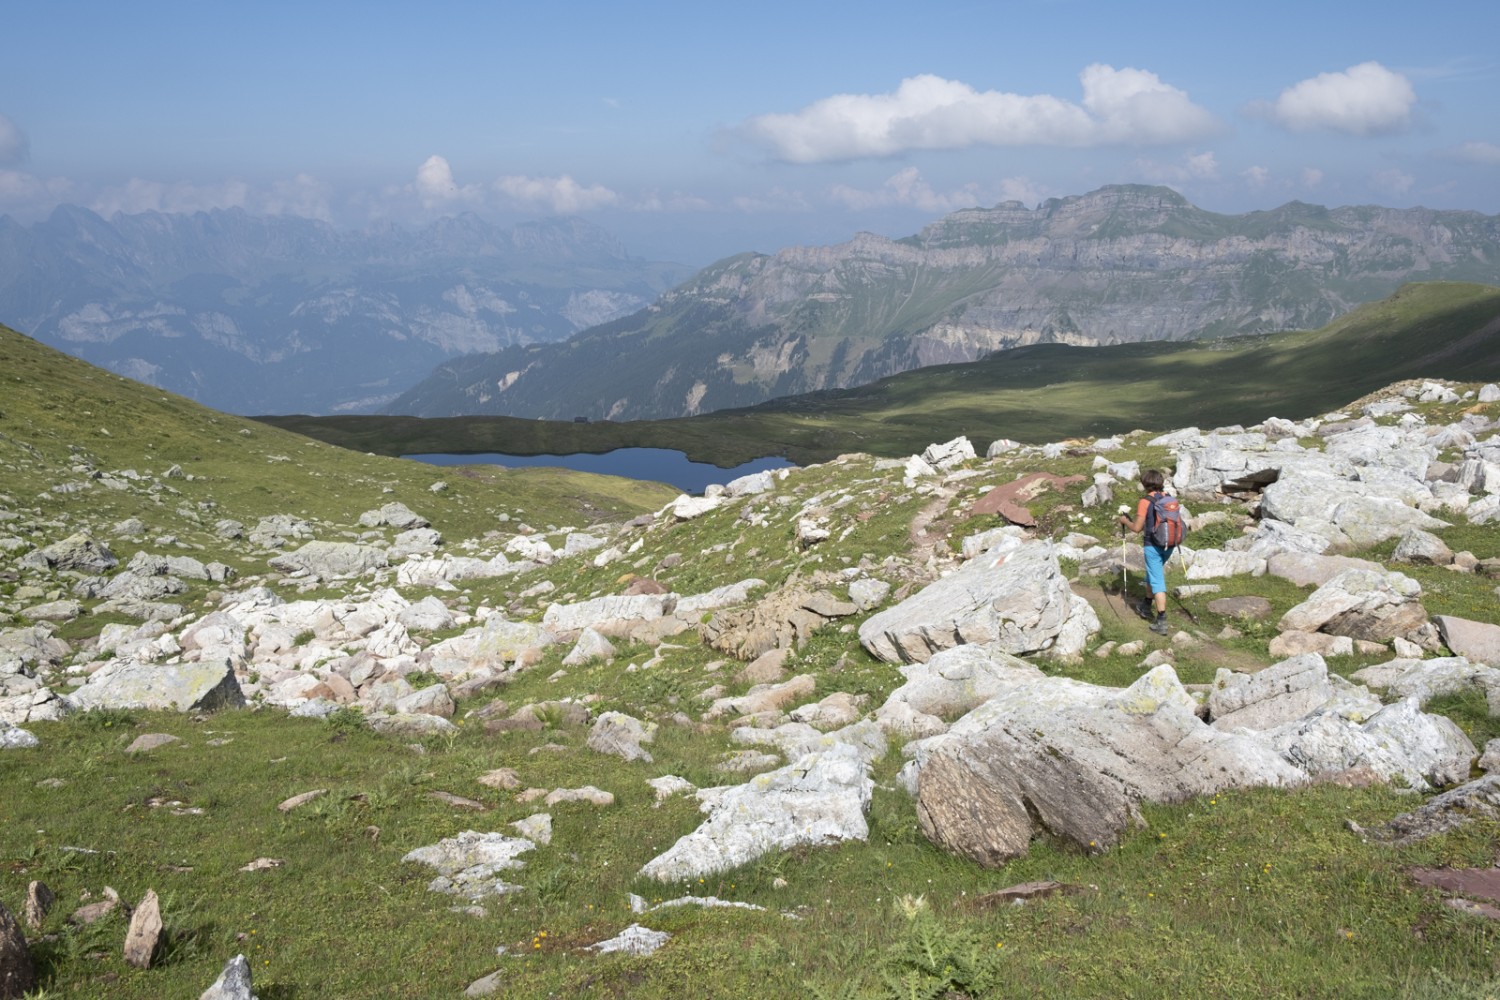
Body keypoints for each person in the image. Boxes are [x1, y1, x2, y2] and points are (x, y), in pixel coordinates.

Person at [1117, 469, 1178, 635]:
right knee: (1152, 573)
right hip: (1170, 543)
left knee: (1157, 581)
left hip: (1153, 545)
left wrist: (1124, 521)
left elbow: (1137, 528)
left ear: (1144, 484)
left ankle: (1161, 621)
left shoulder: (1145, 501)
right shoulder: (1168, 497)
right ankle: (1146, 604)